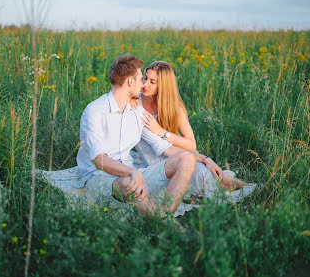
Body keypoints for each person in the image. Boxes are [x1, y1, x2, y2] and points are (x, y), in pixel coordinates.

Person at [77, 54, 206, 217]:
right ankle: (169, 226)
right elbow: (100, 161)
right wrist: (133, 172)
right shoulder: (95, 111)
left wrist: (202, 158)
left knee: (187, 159)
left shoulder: (137, 111)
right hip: (101, 177)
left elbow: (162, 146)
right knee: (130, 184)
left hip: (133, 172)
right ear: (130, 82)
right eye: (141, 79)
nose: (143, 85)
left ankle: (163, 215)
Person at [130, 61, 256, 200]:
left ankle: (249, 187)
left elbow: (191, 144)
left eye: (152, 81)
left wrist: (162, 132)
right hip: (153, 161)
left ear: (163, 86)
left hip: (180, 154)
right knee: (195, 184)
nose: (145, 84)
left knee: (206, 176)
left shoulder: (173, 106)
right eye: (145, 78)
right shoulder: (134, 102)